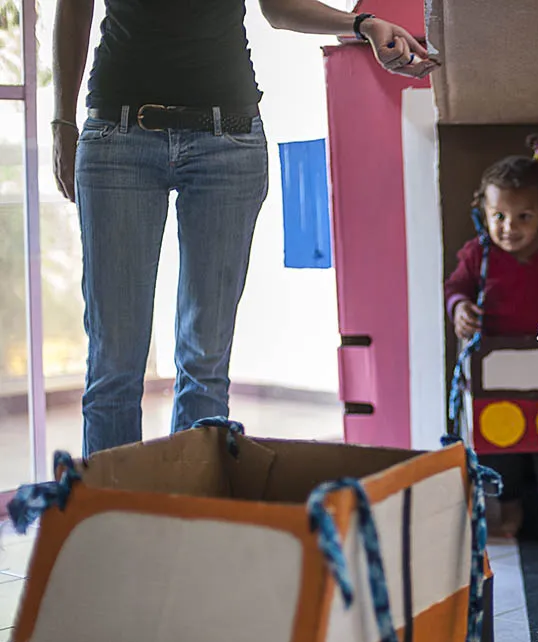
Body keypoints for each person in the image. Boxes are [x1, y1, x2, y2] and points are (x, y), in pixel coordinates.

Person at [50, 0, 437, 457]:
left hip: (227, 145)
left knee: (205, 364)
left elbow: (279, 8)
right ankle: (110, 502)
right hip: (119, 138)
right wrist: (62, 121)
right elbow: (73, 8)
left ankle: (194, 500)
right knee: (114, 362)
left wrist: (362, 25)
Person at [444, 135, 538, 543]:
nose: (509, 228)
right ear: (484, 214)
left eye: (523, 217)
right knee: (500, 445)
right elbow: (455, 288)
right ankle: (508, 516)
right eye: (499, 217)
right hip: (495, 372)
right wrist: (460, 308)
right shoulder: (478, 254)